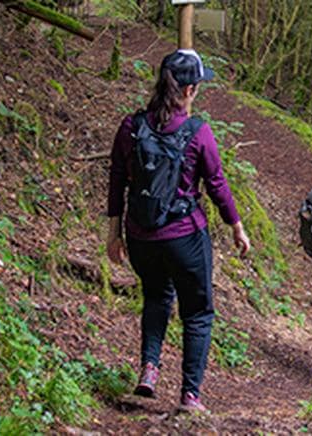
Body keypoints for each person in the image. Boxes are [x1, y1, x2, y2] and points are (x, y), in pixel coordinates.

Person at [106, 49, 250, 412]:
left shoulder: (131, 126)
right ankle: (190, 395)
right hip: (185, 236)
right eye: (198, 86)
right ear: (188, 90)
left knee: (156, 297)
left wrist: (114, 233)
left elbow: (117, 179)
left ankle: (149, 370)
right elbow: (216, 183)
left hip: (140, 236)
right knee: (198, 313)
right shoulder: (197, 131)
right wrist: (236, 226)